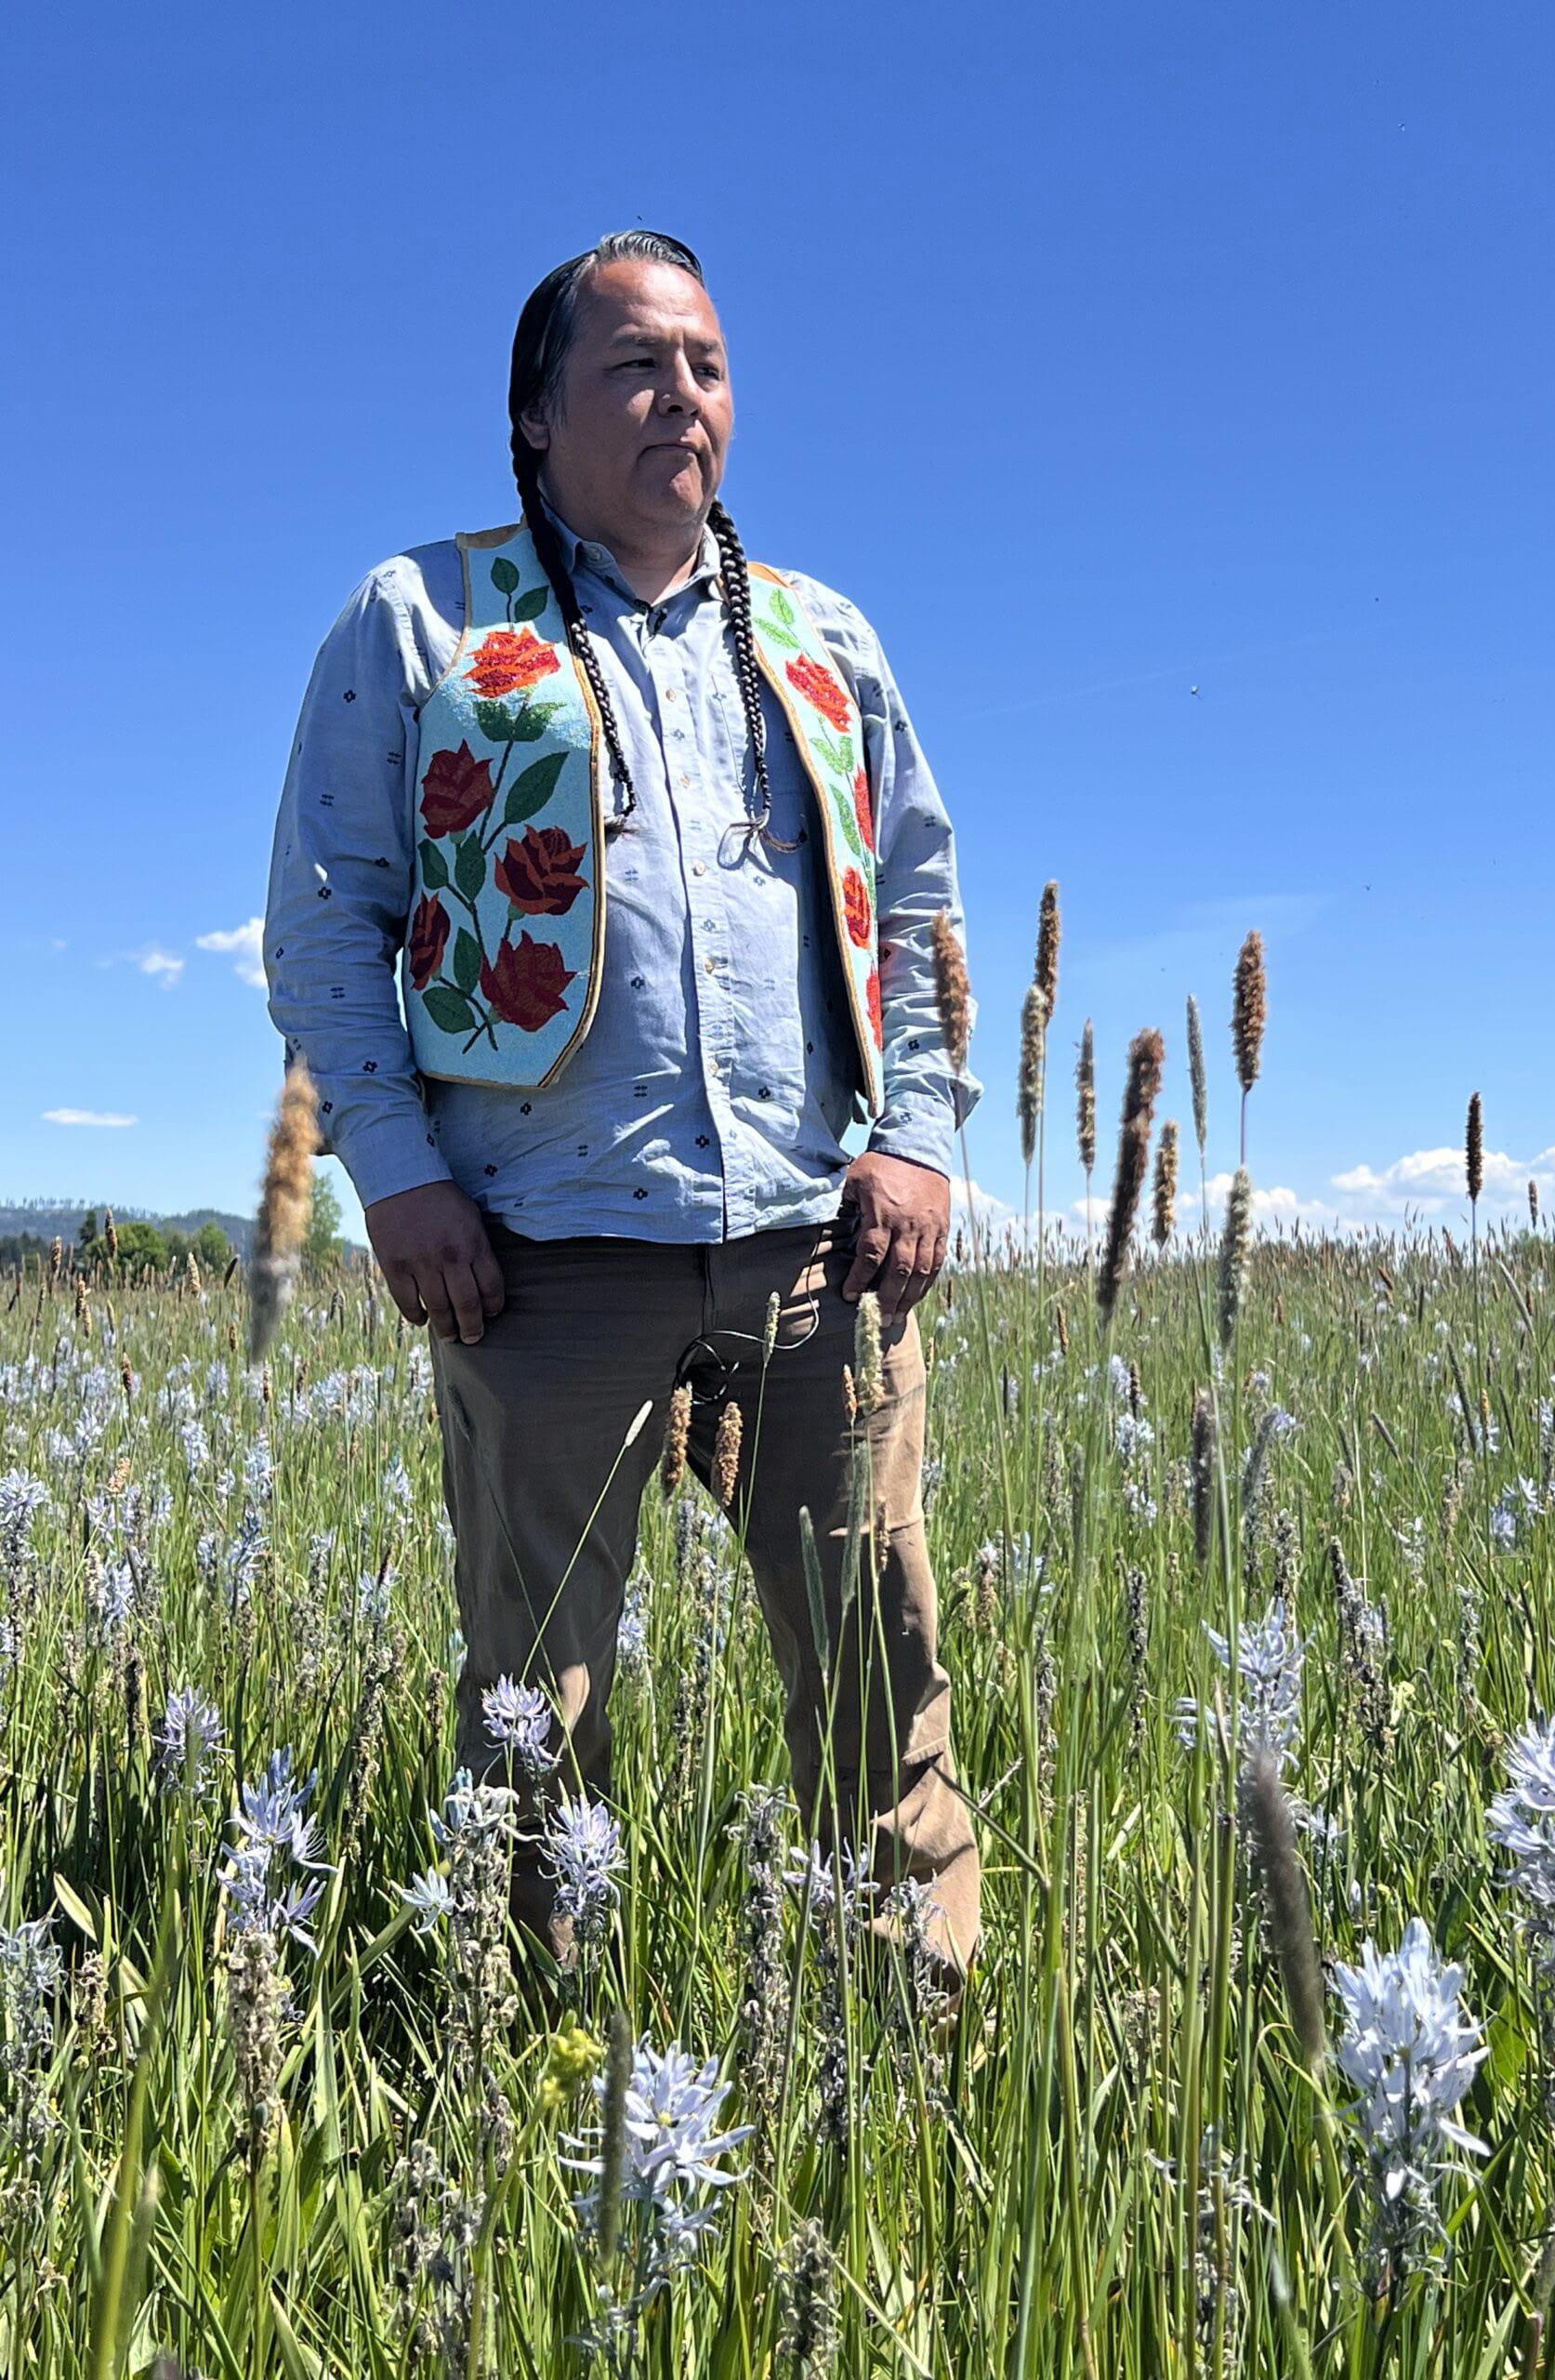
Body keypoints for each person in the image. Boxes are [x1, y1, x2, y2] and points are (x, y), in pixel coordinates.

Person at [264, 230, 982, 1977]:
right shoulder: (423, 615)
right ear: (534, 414)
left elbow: (922, 902)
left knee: (879, 1670)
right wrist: (395, 1170)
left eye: (709, 366)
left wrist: (921, 1131)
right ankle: (524, 2060)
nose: (685, 396)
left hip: (819, 1240)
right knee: (536, 1700)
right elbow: (329, 915)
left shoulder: (821, 637)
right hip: (538, 1247)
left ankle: (913, 2041)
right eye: (637, 366)